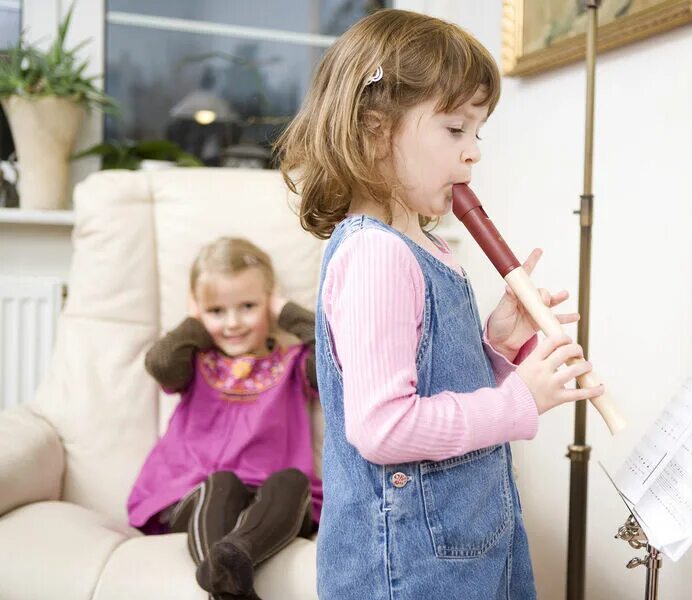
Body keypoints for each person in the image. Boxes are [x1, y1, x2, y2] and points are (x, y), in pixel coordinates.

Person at [276, 9, 606, 599]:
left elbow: (433, 374)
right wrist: (521, 399)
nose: (472, 152)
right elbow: (384, 427)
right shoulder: (375, 255)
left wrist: (498, 343)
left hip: (468, 540)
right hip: (409, 570)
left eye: (477, 132)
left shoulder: (425, 246)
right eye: (455, 130)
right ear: (376, 132)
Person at [127, 237, 321, 600]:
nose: (232, 323)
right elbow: (160, 363)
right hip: (200, 496)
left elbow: (333, 356)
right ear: (199, 312)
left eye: (248, 306)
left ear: (269, 304)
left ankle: (234, 562)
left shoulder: (293, 363)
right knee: (223, 483)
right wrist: (193, 320)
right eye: (216, 311)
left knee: (293, 481)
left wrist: (284, 310)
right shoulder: (194, 360)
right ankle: (231, 585)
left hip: (269, 507)